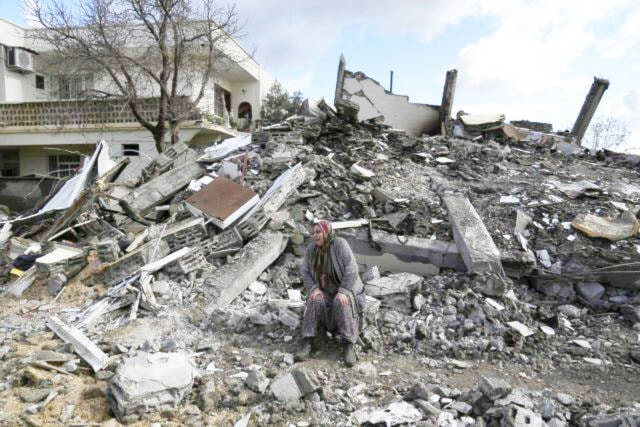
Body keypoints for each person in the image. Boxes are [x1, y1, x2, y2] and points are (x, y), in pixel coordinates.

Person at [295, 220, 366, 367]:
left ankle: (348, 345)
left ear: (327, 232)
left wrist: (344, 291)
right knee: (314, 300)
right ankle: (308, 341)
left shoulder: (339, 244)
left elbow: (352, 268)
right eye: (314, 233)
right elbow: (305, 271)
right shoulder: (311, 250)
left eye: (319, 232)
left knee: (341, 301)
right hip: (326, 290)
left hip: (348, 288)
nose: (315, 236)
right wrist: (314, 288)